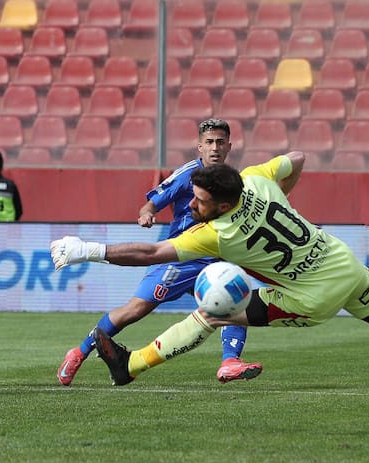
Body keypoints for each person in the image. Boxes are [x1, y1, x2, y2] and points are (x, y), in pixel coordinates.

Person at [51, 154, 369, 386]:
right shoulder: (257, 178)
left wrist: (89, 250)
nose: (193, 206)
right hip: (345, 265)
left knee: (213, 313)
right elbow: (299, 157)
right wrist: (283, 193)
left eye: (200, 201)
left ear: (224, 203)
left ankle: (129, 366)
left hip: (312, 298)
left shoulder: (218, 235)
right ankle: (129, 366)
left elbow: (150, 252)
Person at [57, 119, 262, 386]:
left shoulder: (235, 180)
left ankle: (229, 362)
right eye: (209, 142)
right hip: (181, 256)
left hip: (217, 258)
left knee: (235, 301)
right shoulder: (187, 174)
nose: (215, 148)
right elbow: (150, 205)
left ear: (229, 146)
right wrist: (147, 215)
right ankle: (79, 352)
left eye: (220, 142)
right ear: (199, 146)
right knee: (136, 309)